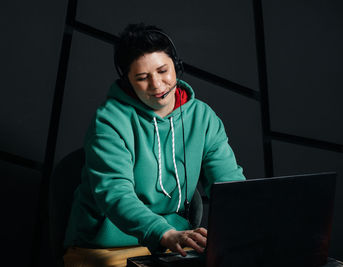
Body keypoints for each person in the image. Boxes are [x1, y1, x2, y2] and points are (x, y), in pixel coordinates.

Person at [63, 23, 245, 267]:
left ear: (177, 66)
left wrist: (252, 221)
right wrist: (164, 233)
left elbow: (230, 187)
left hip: (174, 245)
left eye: (163, 71)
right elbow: (116, 194)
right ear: (127, 81)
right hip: (106, 246)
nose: (158, 85)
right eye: (142, 78)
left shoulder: (203, 118)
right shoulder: (109, 121)